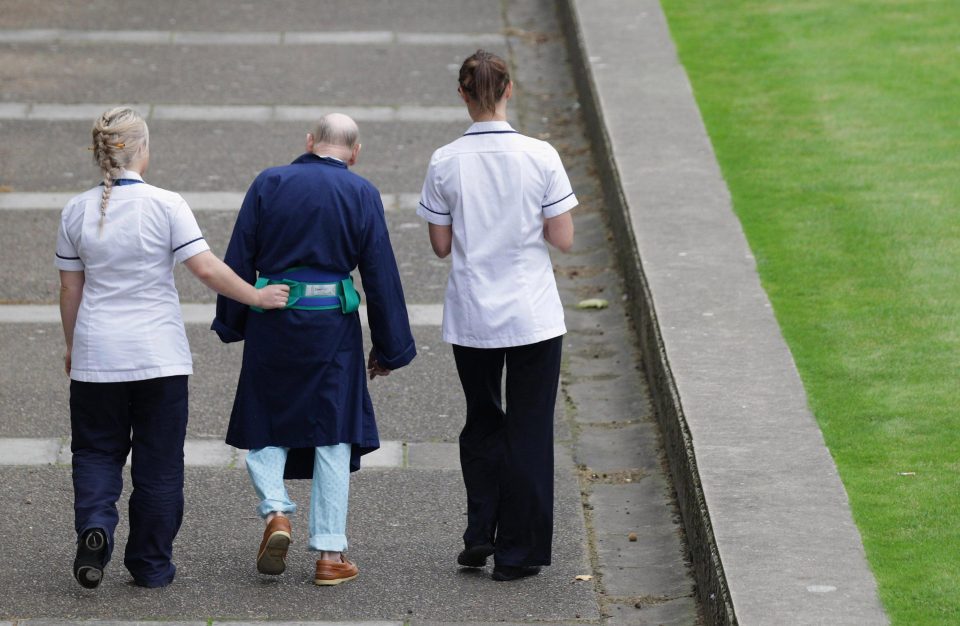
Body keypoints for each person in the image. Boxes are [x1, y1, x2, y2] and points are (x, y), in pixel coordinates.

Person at [56, 107, 290, 590]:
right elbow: (205, 269)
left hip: (97, 356)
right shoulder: (166, 204)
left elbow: (70, 290)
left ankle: (96, 527)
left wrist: (71, 345)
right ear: (142, 149)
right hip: (158, 358)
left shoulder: (75, 210)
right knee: (159, 465)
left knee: (96, 453)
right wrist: (257, 297)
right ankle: (150, 565)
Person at [212, 112, 416, 586]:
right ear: (355, 152)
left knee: (266, 417)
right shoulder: (361, 193)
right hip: (332, 329)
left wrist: (231, 321)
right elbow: (380, 273)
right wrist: (388, 349)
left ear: (309, 142)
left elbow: (240, 253)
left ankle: (277, 512)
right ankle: (329, 554)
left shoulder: (269, 182)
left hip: (273, 317)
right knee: (333, 431)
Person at [417, 50, 577, 582]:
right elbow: (564, 237)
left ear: (462, 95)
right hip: (532, 311)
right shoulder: (541, 155)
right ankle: (517, 553)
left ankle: (479, 532)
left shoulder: (445, 161)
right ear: (509, 89)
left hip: (473, 312)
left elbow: (441, 245)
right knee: (530, 429)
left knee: (483, 419)